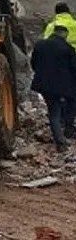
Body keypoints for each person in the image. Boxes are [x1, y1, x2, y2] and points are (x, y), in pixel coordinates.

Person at [31, 24, 76, 152]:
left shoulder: (40, 45)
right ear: (64, 34)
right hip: (63, 86)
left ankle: (63, 132)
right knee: (59, 110)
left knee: (54, 110)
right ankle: (62, 139)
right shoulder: (67, 48)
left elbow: (33, 63)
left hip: (43, 85)